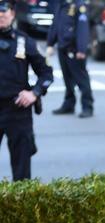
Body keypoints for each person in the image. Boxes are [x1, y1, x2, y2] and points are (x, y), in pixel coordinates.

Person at [0, 0, 53, 181]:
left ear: (12, 14)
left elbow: (46, 73)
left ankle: (20, 207)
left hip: (17, 110)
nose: (0, 15)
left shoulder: (24, 41)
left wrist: (34, 93)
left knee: (22, 171)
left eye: (4, 11)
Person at [46, 0, 94, 118]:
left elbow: (82, 28)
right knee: (67, 79)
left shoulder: (79, 5)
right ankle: (69, 104)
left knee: (81, 79)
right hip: (63, 47)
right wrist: (50, 43)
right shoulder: (61, 4)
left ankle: (87, 106)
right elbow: (55, 25)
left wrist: (81, 49)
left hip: (74, 49)